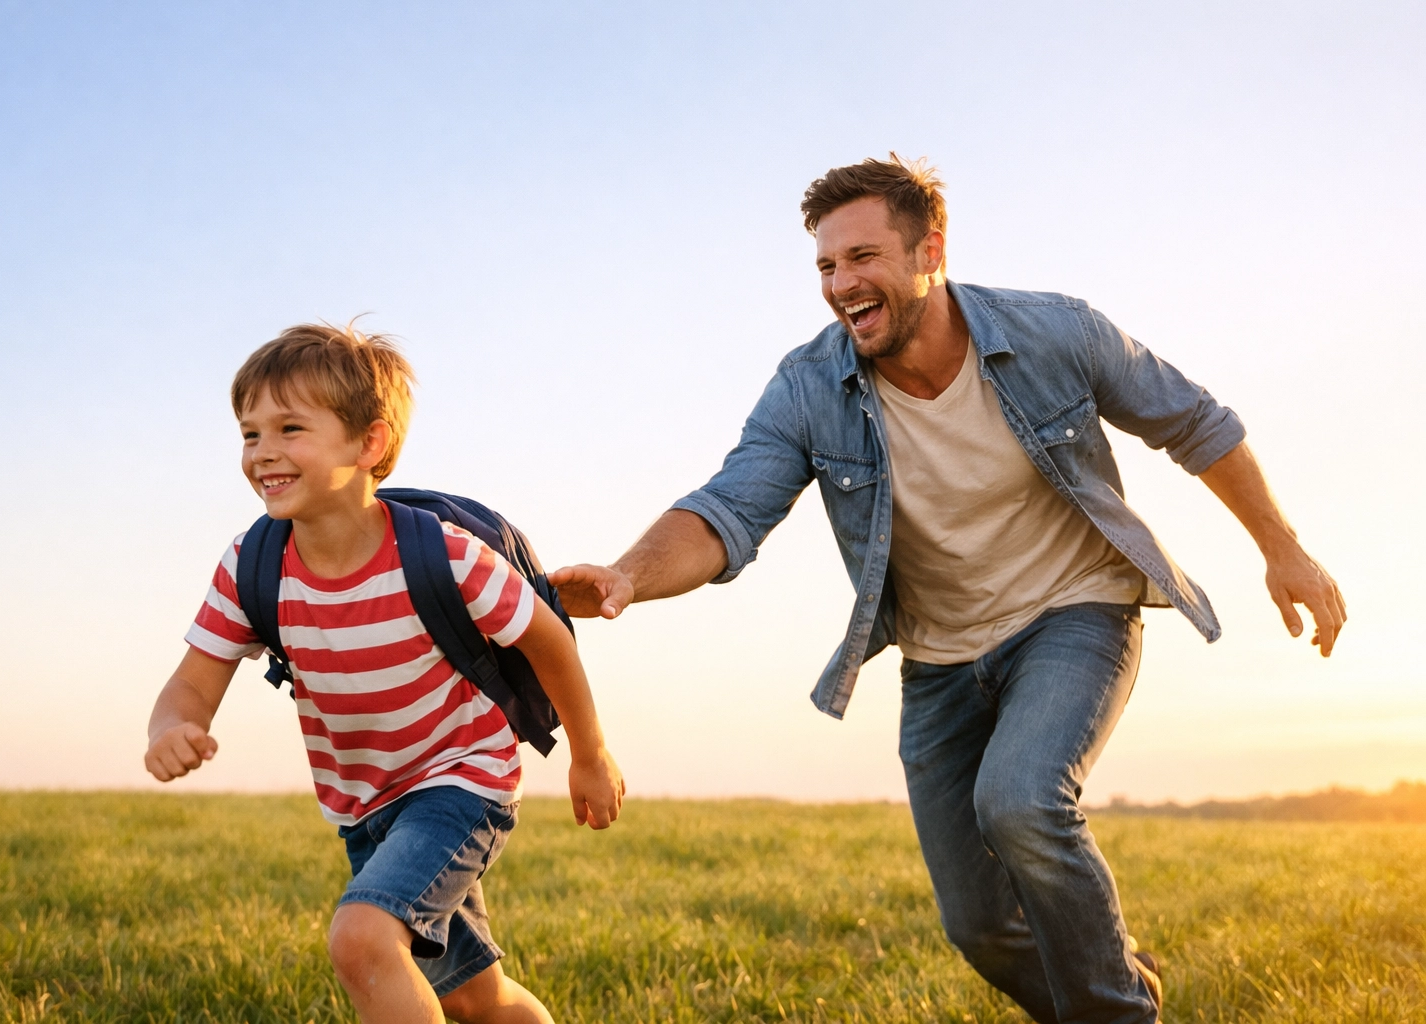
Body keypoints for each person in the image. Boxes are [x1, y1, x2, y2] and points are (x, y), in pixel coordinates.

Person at [549, 155, 1345, 1024]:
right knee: (979, 928)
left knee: (1023, 799)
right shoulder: (808, 386)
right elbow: (729, 510)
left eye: (861, 258)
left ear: (931, 248)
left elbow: (1194, 421)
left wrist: (1284, 548)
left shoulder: (1056, 332)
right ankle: (1121, 985)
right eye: (825, 266)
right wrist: (629, 574)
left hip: (1073, 611)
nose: (841, 285)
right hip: (936, 660)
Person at [144, 323, 624, 1024]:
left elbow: (550, 640)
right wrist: (173, 726)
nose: (263, 452)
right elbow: (192, 681)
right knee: (474, 998)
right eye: (250, 435)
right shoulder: (254, 564)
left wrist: (590, 753)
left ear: (369, 444)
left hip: (462, 784)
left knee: (363, 940)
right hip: (366, 807)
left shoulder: (444, 556)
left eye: (289, 428)